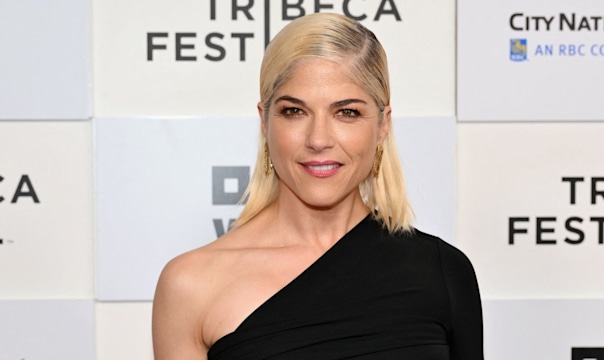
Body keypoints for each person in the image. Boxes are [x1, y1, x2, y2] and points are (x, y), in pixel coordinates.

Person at [152, 12, 483, 360]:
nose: (319, 139)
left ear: (382, 125)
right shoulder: (191, 285)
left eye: (347, 113)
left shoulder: (442, 271)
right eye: (295, 111)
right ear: (264, 121)